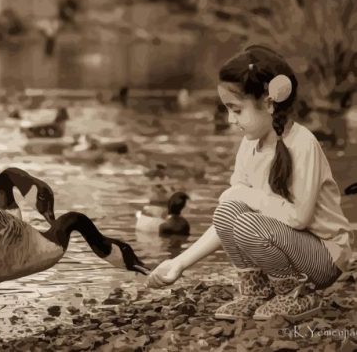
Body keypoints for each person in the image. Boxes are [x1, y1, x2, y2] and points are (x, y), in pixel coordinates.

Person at [146, 45, 354, 322]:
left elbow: (299, 217)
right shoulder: (249, 145)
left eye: (236, 110)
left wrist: (245, 194)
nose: (231, 119)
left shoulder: (303, 144)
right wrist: (179, 262)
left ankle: (296, 294)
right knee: (226, 212)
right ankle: (256, 291)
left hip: (324, 257)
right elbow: (228, 219)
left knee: (245, 217)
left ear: (269, 103)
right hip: (285, 243)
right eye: (227, 110)